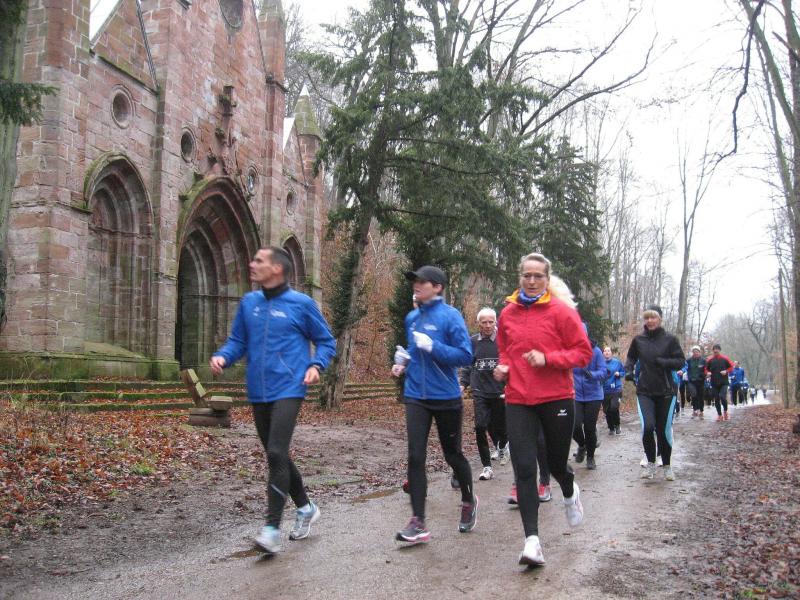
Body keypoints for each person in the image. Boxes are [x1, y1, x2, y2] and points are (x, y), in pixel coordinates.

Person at [209, 247, 336, 554]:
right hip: (258, 389)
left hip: (290, 386)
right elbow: (238, 341)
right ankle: (306, 507)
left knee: (276, 452)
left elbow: (326, 341)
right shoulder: (249, 303)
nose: (251, 264)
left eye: (259, 260)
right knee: (277, 455)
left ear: (277, 268)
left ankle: (271, 530)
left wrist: (316, 365)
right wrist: (223, 357)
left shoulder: (301, 304)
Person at [493, 252, 592, 566]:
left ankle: (569, 490)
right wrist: (503, 367)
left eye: (538, 276)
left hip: (556, 397)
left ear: (547, 279)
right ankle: (532, 542)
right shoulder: (507, 313)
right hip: (518, 399)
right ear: (520, 277)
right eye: (527, 275)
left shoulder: (561, 312)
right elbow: (505, 349)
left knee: (556, 464)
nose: (532, 281)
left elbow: (583, 353)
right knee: (524, 469)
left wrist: (548, 359)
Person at [391, 266, 476, 544]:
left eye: (422, 282)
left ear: (437, 287)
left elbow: (465, 355)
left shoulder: (450, 316)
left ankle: (468, 500)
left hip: (446, 397)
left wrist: (433, 347)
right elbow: (414, 350)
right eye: (414, 281)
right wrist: (403, 361)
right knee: (415, 455)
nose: (416, 285)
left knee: (453, 455)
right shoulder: (412, 317)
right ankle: (418, 521)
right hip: (416, 395)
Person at [624, 305, 685, 482]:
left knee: (663, 430)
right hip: (645, 391)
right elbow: (631, 358)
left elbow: (680, 361)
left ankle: (666, 465)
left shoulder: (670, 340)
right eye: (647, 318)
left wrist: (664, 362)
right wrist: (628, 370)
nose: (650, 321)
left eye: (653, 317)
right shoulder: (639, 340)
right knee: (648, 427)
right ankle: (651, 463)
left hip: (666, 391)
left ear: (660, 319)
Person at [460, 308, 507, 482]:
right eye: (484, 322)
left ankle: (502, 446)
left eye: (491, 322)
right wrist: (463, 384)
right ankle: (487, 467)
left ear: (496, 322)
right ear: (478, 323)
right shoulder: (473, 342)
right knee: (480, 426)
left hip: (500, 391)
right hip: (480, 391)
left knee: (500, 428)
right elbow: (467, 365)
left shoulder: (503, 340)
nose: (487, 325)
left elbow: (512, 361)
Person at [572, 328, 606, 470]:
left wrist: (592, 374)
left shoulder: (596, 352)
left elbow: (603, 371)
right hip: (576, 395)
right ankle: (582, 445)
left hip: (594, 395)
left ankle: (590, 457)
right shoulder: (571, 351)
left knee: (589, 428)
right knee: (574, 425)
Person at [705, 344, 734, 421]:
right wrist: (708, 373)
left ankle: (725, 411)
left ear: (720, 350)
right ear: (713, 351)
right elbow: (705, 369)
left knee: (722, 396)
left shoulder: (725, 358)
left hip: (724, 382)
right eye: (714, 349)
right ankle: (719, 415)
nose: (716, 350)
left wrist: (726, 371)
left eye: (717, 349)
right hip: (714, 382)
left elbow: (732, 367)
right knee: (716, 399)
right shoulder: (710, 360)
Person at [602, 346, 624, 435]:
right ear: (603, 353)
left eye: (608, 351)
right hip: (604, 390)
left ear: (611, 353)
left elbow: (623, 372)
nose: (607, 352)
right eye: (605, 351)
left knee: (614, 408)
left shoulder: (617, 362)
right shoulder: (600, 364)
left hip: (616, 389)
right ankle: (611, 428)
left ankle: (617, 425)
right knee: (607, 410)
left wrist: (619, 373)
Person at [683, 346, 706, 418]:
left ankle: (701, 411)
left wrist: (706, 374)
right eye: (694, 352)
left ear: (699, 352)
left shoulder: (703, 360)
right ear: (692, 352)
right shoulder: (689, 360)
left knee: (700, 396)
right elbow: (685, 367)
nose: (695, 353)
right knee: (693, 394)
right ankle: (695, 410)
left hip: (700, 381)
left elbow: (706, 369)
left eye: (697, 352)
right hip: (691, 381)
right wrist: (683, 372)